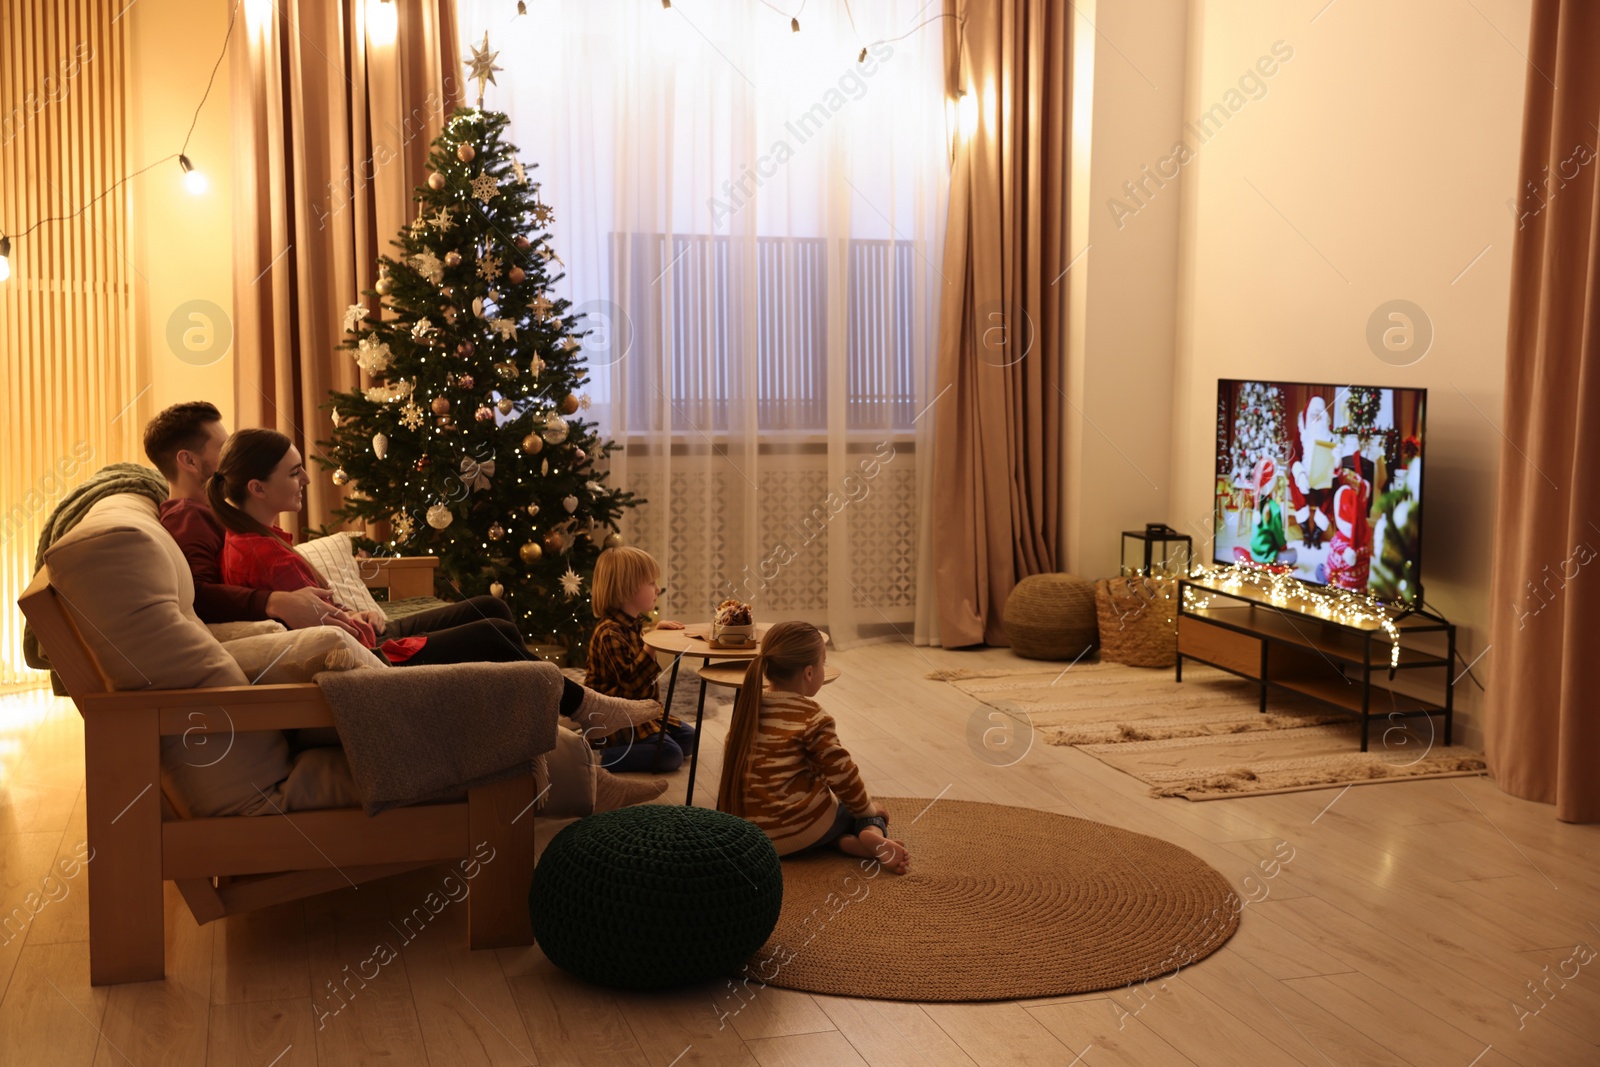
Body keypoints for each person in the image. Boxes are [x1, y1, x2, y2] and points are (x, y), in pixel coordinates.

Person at [716, 621, 909, 873]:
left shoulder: (749, 708)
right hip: (798, 830)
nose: (823, 668)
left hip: (753, 836)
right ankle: (869, 835)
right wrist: (868, 810)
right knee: (867, 811)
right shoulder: (812, 717)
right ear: (809, 673)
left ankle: (842, 843)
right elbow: (843, 774)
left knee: (830, 811)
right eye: (823, 662)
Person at [583, 547, 697, 772]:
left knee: (690, 738)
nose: (658, 589)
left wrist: (653, 633)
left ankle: (637, 748)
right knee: (670, 755)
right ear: (626, 590)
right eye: (651, 583)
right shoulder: (609, 633)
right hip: (615, 718)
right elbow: (632, 685)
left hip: (637, 713)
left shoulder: (631, 626)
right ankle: (599, 757)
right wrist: (650, 645)